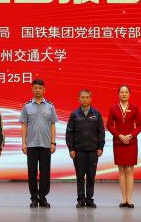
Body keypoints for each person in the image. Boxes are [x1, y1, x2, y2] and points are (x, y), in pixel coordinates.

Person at [19, 79, 58, 208]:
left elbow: (52, 125)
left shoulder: (50, 106)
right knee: (32, 172)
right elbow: (24, 125)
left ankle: (43, 197)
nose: (37, 90)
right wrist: (23, 143)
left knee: (45, 172)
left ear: (44, 90)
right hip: (31, 144)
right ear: (32, 89)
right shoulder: (27, 106)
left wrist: (53, 142)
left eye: (40, 88)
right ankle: (34, 198)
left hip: (46, 144)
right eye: (35, 88)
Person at [65, 89, 105, 208]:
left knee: (91, 176)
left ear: (91, 99)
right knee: (80, 176)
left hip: (93, 151)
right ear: (79, 99)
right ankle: (81, 199)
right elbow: (69, 133)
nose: (85, 99)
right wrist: (71, 149)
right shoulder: (74, 114)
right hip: (79, 151)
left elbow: (101, 132)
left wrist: (100, 147)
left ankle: (89, 199)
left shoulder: (96, 114)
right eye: (82, 97)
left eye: (87, 97)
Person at [107, 84, 141, 208]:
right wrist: (119, 136)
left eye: (126, 92)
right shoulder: (113, 108)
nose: (124, 94)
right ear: (118, 94)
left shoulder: (134, 108)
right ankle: (123, 199)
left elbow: (139, 125)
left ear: (129, 94)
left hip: (131, 142)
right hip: (118, 142)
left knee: (129, 170)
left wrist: (131, 135)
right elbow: (109, 125)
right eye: (122, 92)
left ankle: (130, 199)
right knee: (121, 170)